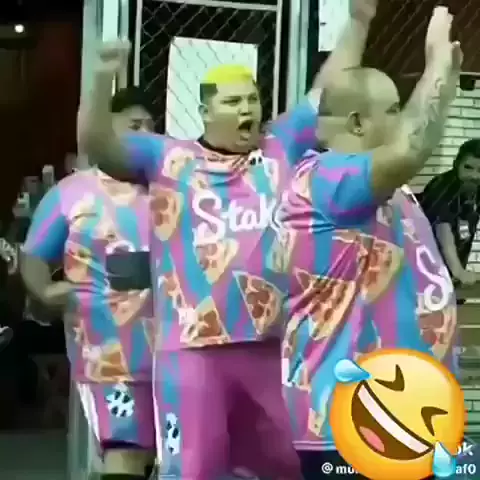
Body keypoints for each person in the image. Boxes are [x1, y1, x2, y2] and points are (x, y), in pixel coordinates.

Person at [73, 8, 358, 474]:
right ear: (205, 112)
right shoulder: (167, 157)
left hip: (272, 347)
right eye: (232, 102)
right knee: (194, 468)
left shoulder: (281, 146)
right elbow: (98, 143)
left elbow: (330, 89)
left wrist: (360, 22)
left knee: (292, 463)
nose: (247, 109)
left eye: (252, 99)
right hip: (190, 350)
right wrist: (102, 78)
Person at [275, 6, 461, 480]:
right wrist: (436, 65)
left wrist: (443, 76)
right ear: (357, 124)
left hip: (404, 417)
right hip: (352, 426)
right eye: (394, 110)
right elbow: (411, 148)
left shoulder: (384, 189)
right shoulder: (326, 179)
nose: (402, 119)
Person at [20, 87, 156, 480]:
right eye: (133, 125)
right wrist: (46, 292)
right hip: (107, 350)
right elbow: (34, 255)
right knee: (125, 451)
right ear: (105, 128)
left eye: (150, 126)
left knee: (170, 455)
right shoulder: (73, 192)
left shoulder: (171, 184)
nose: (144, 134)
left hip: (177, 347)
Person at [420, 138, 480, 290]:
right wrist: (458, 271)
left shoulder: (476, 187)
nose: (474, 175)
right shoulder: (442, 185)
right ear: (456, 164)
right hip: (425, 267)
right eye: (468, 167)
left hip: (452, 270)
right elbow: (442, 229)